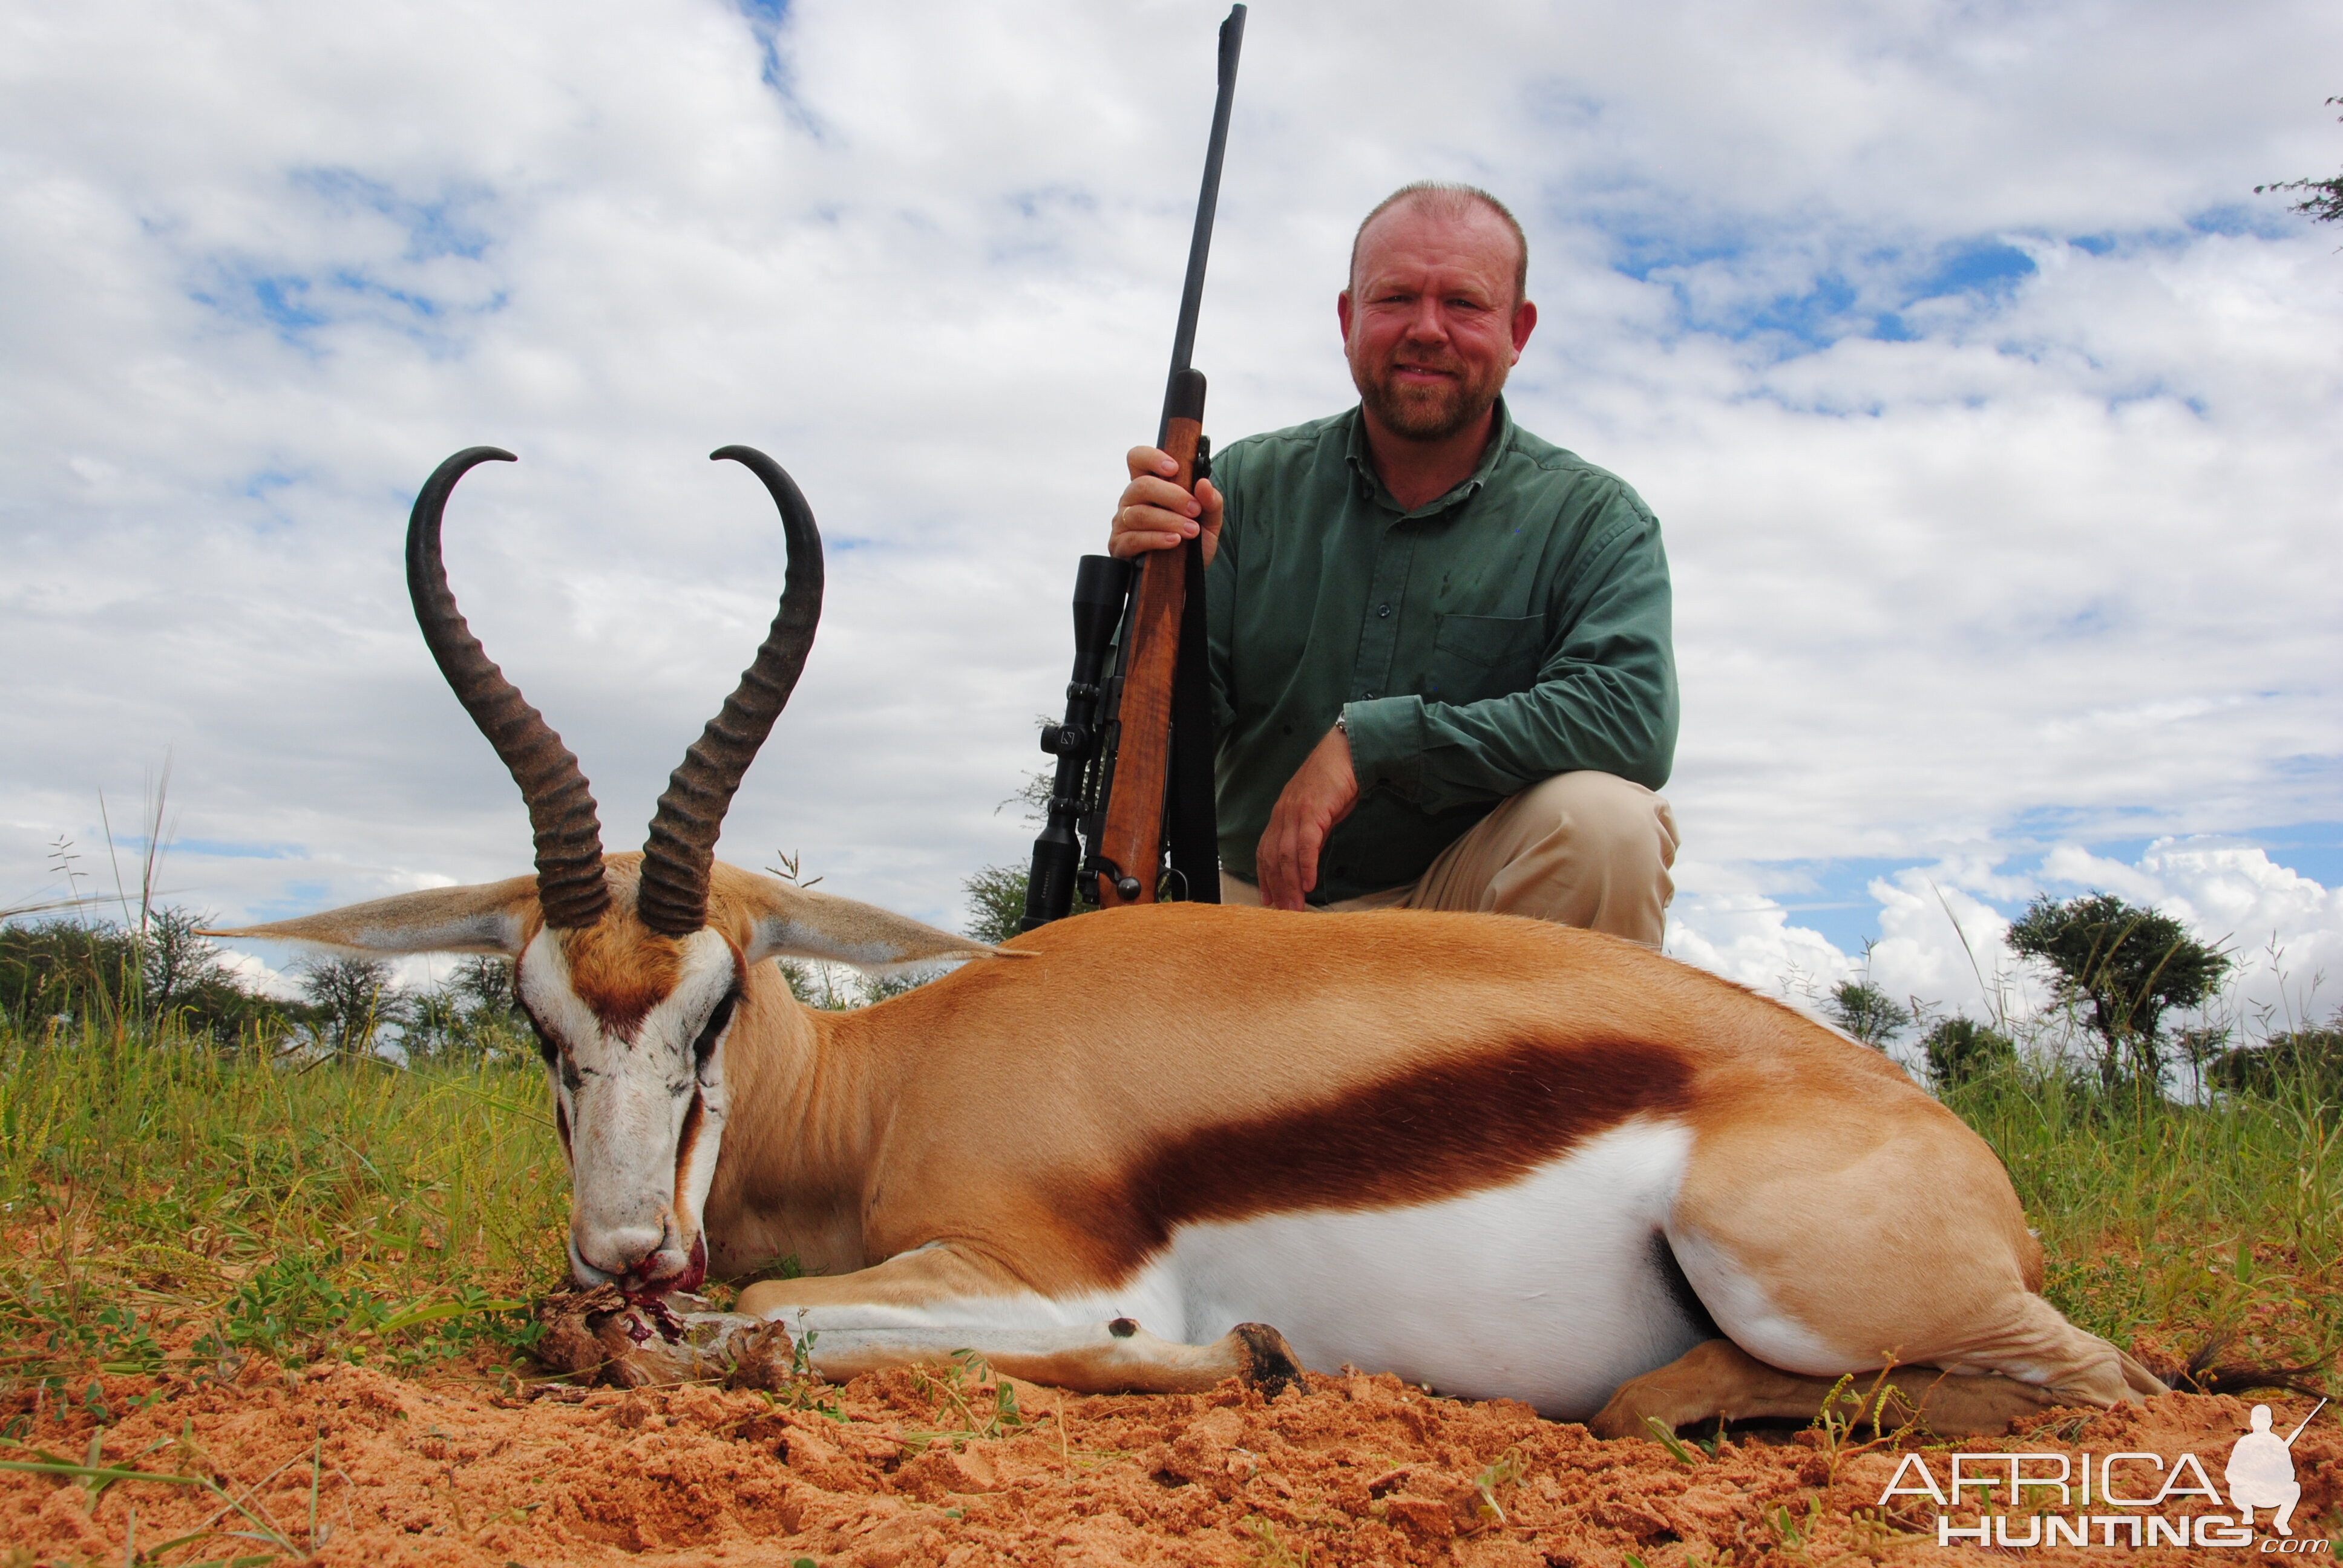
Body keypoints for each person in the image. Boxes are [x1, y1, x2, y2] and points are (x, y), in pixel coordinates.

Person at [1106, 182, 1680, 946]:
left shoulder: (1597, 520)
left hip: (1460, 924)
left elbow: (1631, 720)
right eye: (1395, 298)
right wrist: (1161, 596)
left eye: (1465, 305)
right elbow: (1147, 747)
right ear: (1347, 320)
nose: (1427, 330)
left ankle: (1534, 1066)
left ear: (1519, 331)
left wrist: (1369, 745)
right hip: (1247, 911)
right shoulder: (1237, 487)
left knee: (1611, 825)